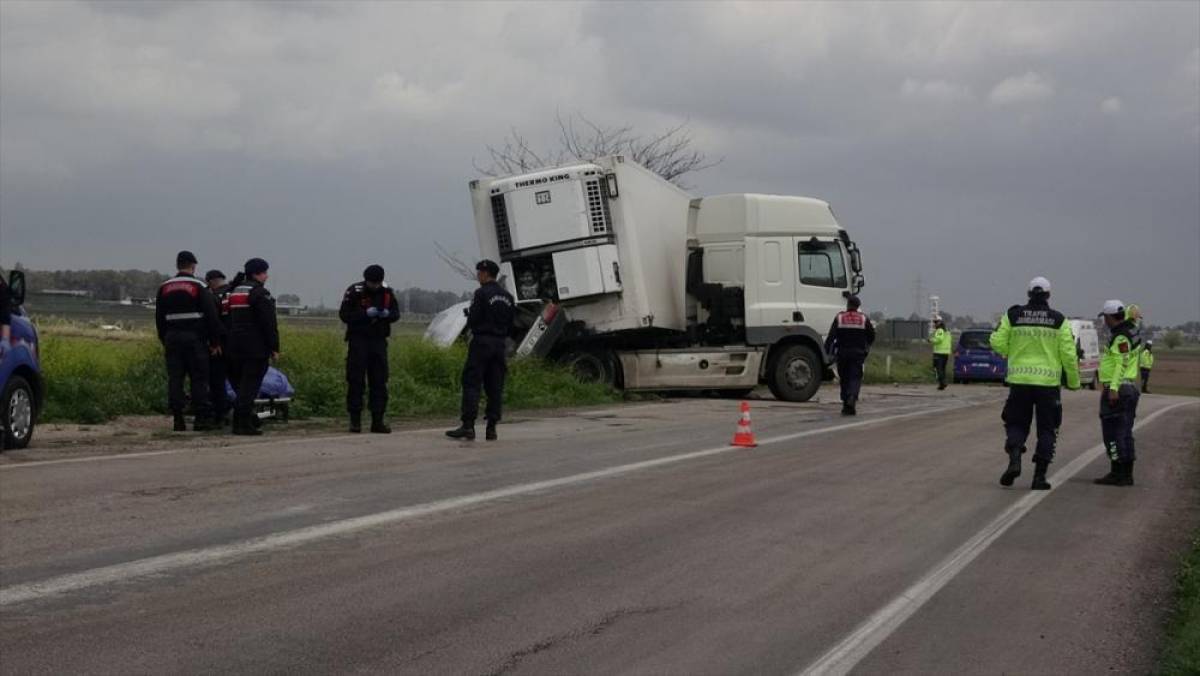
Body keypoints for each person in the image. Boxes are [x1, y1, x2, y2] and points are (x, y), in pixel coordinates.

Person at [989, 277, 1080, 490]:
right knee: (1048, 429)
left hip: (1019, 381)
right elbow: (1068, 353)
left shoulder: (1013, 315)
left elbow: (996, 341)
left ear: (1029, 294)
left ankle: (1014, 458)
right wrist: (1074, 381)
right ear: (1048, 295)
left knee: (1015, 423)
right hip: (1048, 384)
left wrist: (1012, 352)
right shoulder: (1059, 320)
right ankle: (1039, 477)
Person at [446, 260, 515, 441]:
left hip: (482, 343)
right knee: (495, 385)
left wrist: (471, 318)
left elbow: (474, 319)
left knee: (472, 382)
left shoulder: (481, 293)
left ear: (485, 273)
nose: (478, 276)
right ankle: (491, 428)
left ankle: (468, 426)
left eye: (479, 273)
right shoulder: (508, 297)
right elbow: (511, 324)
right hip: (500, 345)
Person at [155, 251, 223, 432]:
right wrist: (215, 342)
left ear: (177, 265)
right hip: (195, 340)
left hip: (172, 339)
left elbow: (159, 319)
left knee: (175, 379)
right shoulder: (198, 286)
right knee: (199, 378)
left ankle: (178, 419)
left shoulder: (164, 287)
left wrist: (164, 339)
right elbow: (211, 317)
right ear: (193, 266)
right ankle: (202, 419)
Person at [339, 264, 402, 433]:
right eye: (372, 283)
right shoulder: (354, 291)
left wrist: (387, 315)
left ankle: (377, 421)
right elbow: (344, 315)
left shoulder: (387, 292)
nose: (375, 286)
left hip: (378, 341)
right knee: (356, 380)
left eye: (377, 283)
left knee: (379, 381)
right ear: (366, 280)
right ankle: (355, 421)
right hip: (358, 341)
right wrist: (365, 314)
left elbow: (396, 313)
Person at [227, 258, 279, 436]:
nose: (267, 276)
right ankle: (242, 424)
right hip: (255, 347)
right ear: (257, 273)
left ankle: (242, 421)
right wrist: (274, 347)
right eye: (265, 272)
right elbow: (268, 323)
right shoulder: (260, 293)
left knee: (241, 386)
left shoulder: (234, 291)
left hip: (235, 345)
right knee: (249, 387)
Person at [1093, 300, 1142, 486]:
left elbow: (1121, 363)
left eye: (1105, 317)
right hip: (1129, 388)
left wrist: (1113, 388)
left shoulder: (1121, 337)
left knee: (1112, 434)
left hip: (1119, 389)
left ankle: (1118, 472)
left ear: (1108, 317)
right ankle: (1126, 473)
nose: (1104, 321)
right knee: (1125, 432)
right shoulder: (1132, 330)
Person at [824, 295, 875, 416]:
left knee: (844, 378)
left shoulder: (840, 317)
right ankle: (852, 397)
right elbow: (871, 336)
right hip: (858, 353)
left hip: (842, 353)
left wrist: (826, 352)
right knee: (855, 377)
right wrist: (866, 347)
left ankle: (846, 403)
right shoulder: (863, 319)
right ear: (858, 306)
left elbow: (831, 336)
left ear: (848, 305)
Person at [204, 269, 233, 425]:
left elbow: (213, 322)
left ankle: (220, 414)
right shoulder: (235, 293)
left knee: (217, 381)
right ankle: (241, 412)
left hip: (220, 345)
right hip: (239, 345)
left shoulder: (212, 297)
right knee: (238, 381)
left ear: (211, 282)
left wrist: (215, 343)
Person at [929, 319, 952, 390]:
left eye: (936, 322)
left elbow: (939, 339)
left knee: (937, 369)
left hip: (939, 353)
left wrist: (931, 340)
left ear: (940, 323)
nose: (934, 324)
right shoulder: (947, 332)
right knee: (942, 369)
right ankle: (942, 384)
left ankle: (943, 382)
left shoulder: (940, 331)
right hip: (945, 353)